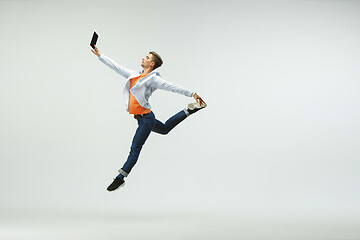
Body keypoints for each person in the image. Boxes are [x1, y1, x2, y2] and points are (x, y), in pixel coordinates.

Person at [91, 45, 207, 191]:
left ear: (152, 64)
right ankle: (189, 110)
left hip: (146, 119)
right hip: (142, 119)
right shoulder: (134, 75)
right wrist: (100, 55)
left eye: (147, 57)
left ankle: (120, 178)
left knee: (135, 149)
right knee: (164, 129)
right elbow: (116, 67)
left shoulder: (154, 80)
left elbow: (172, 86)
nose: (143, 58)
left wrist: (192, 93)